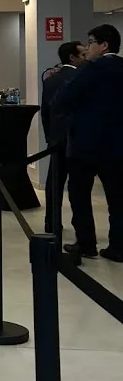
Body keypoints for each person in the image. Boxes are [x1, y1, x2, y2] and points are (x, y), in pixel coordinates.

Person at [54, 23, 123, 263]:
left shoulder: (90, 69)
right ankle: (118, 246)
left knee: (80, 195)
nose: (88, 48)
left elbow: (63, 99)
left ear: (104, 45)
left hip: (86, 143)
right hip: (117, 146)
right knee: (117, 198)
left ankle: (86, 244)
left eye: (91, 42)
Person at [40, 40, 85, 237]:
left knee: (54, 184)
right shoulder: (82, 77)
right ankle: (82, 230)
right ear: (72, 57)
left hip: (57, 140)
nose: (85, 58)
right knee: (78, 187)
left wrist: (50, 138)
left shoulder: (50, 80)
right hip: (78, 141)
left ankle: (51, 223)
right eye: (82, 55)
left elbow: (45, 113)